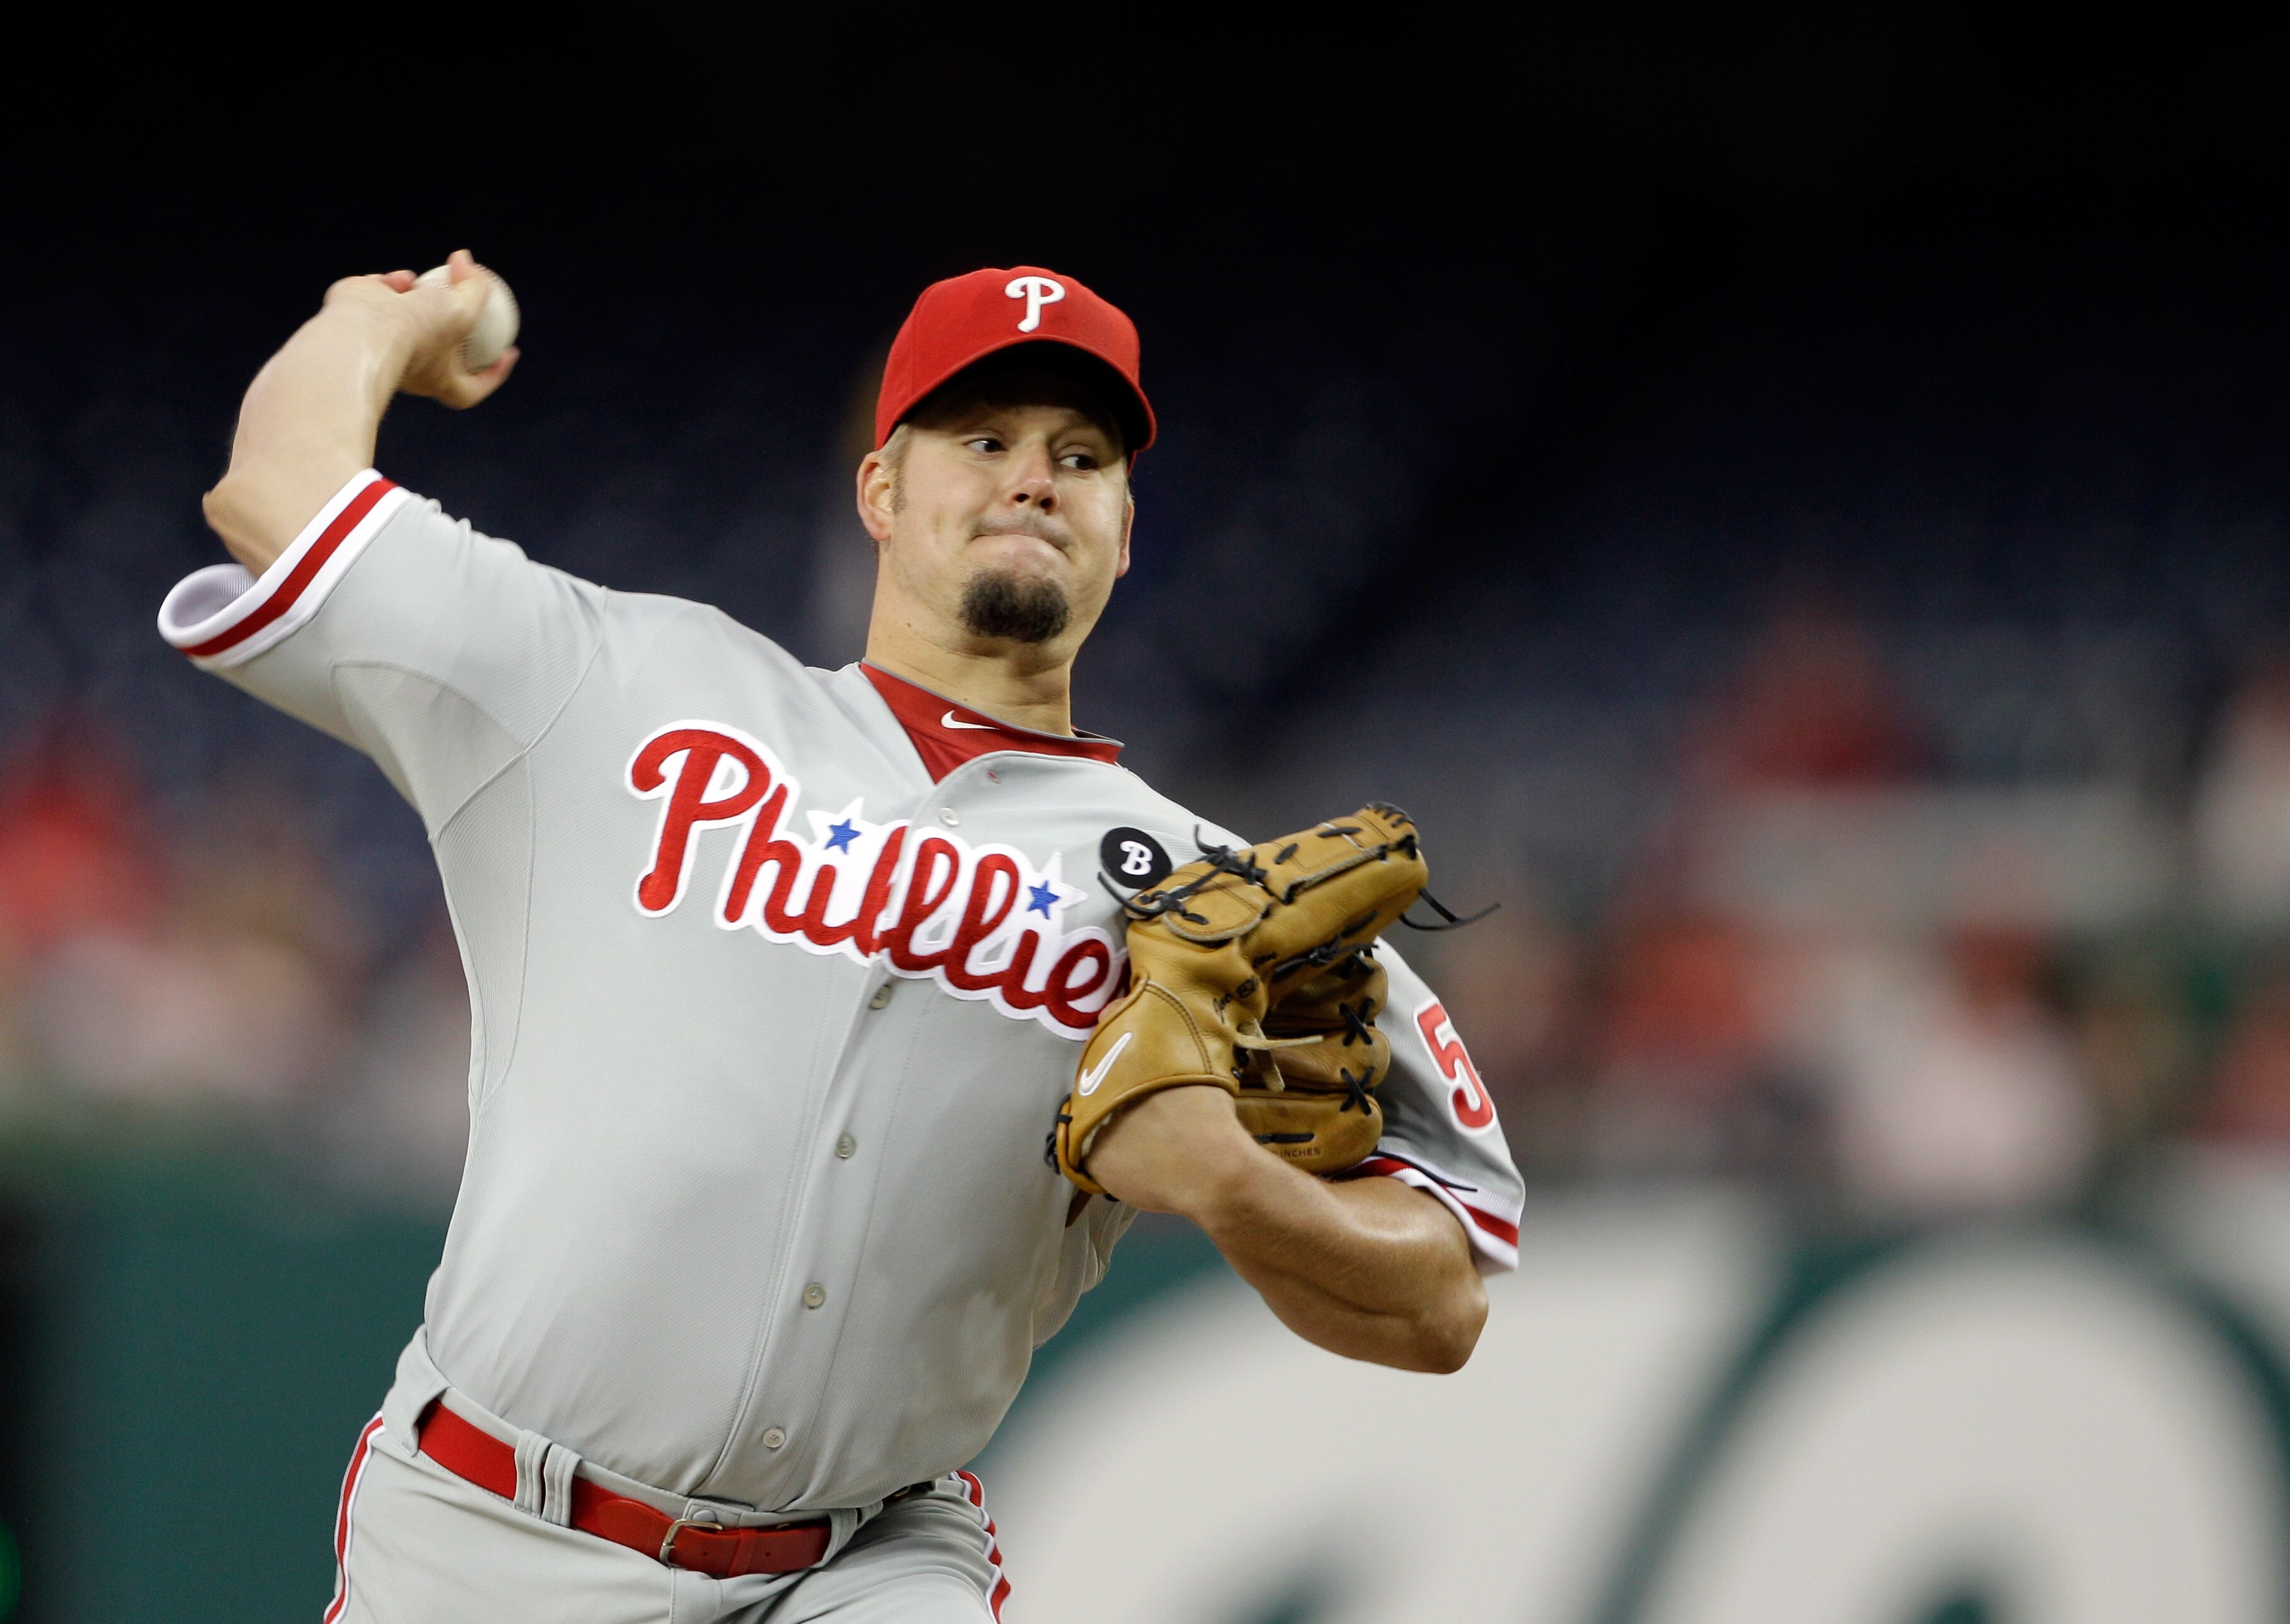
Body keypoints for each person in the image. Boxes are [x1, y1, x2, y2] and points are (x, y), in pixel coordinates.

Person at [163, 254, 1524, 1622]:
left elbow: (1446, 1295)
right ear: (881, 489)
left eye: (1080, 453)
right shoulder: (618, 687)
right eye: (981, 439)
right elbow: (275, 496)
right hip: (493, 1533)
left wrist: (1236, 1183)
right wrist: (377, 322)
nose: (1032, 478)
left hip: (864, 1566)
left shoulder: (1202, 891)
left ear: (1125, 527)